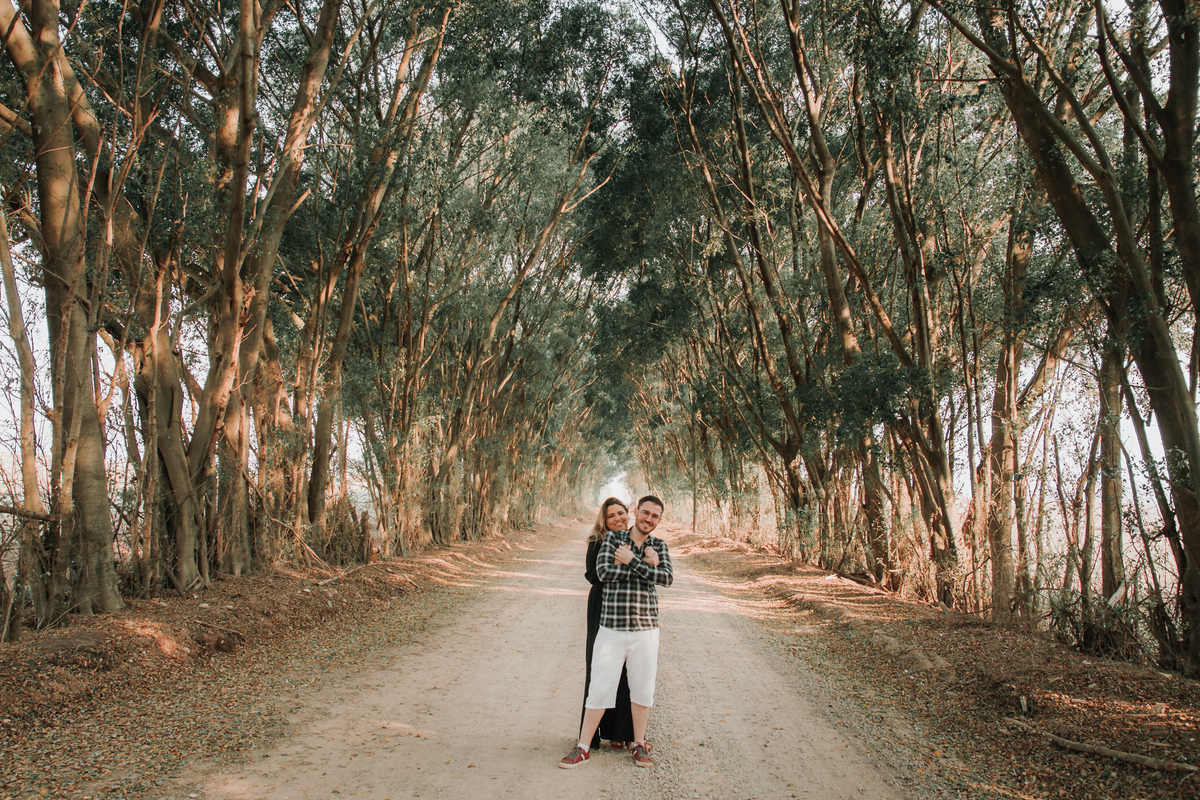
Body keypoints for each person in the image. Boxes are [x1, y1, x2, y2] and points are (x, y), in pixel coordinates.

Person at [559, 495, 673, 770]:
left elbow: (667, 578)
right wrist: (647, 567)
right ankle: (583, 747)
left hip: (646, 629)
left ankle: (638, 744)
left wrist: (632, 561)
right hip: (612, 627)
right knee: (600, 686)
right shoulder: (612, 539)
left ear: (659, 520)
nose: (648, 519)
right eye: (645, 513)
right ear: (636, 511)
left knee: (642, 689)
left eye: (655, 516)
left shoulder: (660, 545)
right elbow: (602, 572)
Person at [581, 498, 637, 750]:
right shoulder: (597, 540)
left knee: (627, 667)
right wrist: (617, 565)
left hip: (628, 605)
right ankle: (591, 733)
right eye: (611, 515)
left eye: (620, 513)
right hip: (602, 603)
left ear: (628, 513)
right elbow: (592, 575)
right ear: (604, 519)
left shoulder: (635, 539)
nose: (617, 518)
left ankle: (622, 732)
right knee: (600, 665)